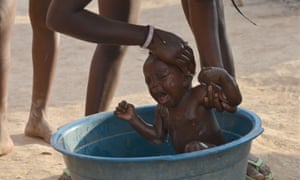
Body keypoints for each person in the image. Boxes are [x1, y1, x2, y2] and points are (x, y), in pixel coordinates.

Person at [114, 53, 242, 154]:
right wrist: (133, 118)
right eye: (149, 81)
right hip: (188, 165)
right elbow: (157, 137)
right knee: (190, 152)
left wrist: (224, 77)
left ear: (186, 78)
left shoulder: (198, 95)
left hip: (219, 154)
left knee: (194, 148)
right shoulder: (163, 109)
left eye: (162, 77)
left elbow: (233, 100)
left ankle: (243, 163)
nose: (154, 85)